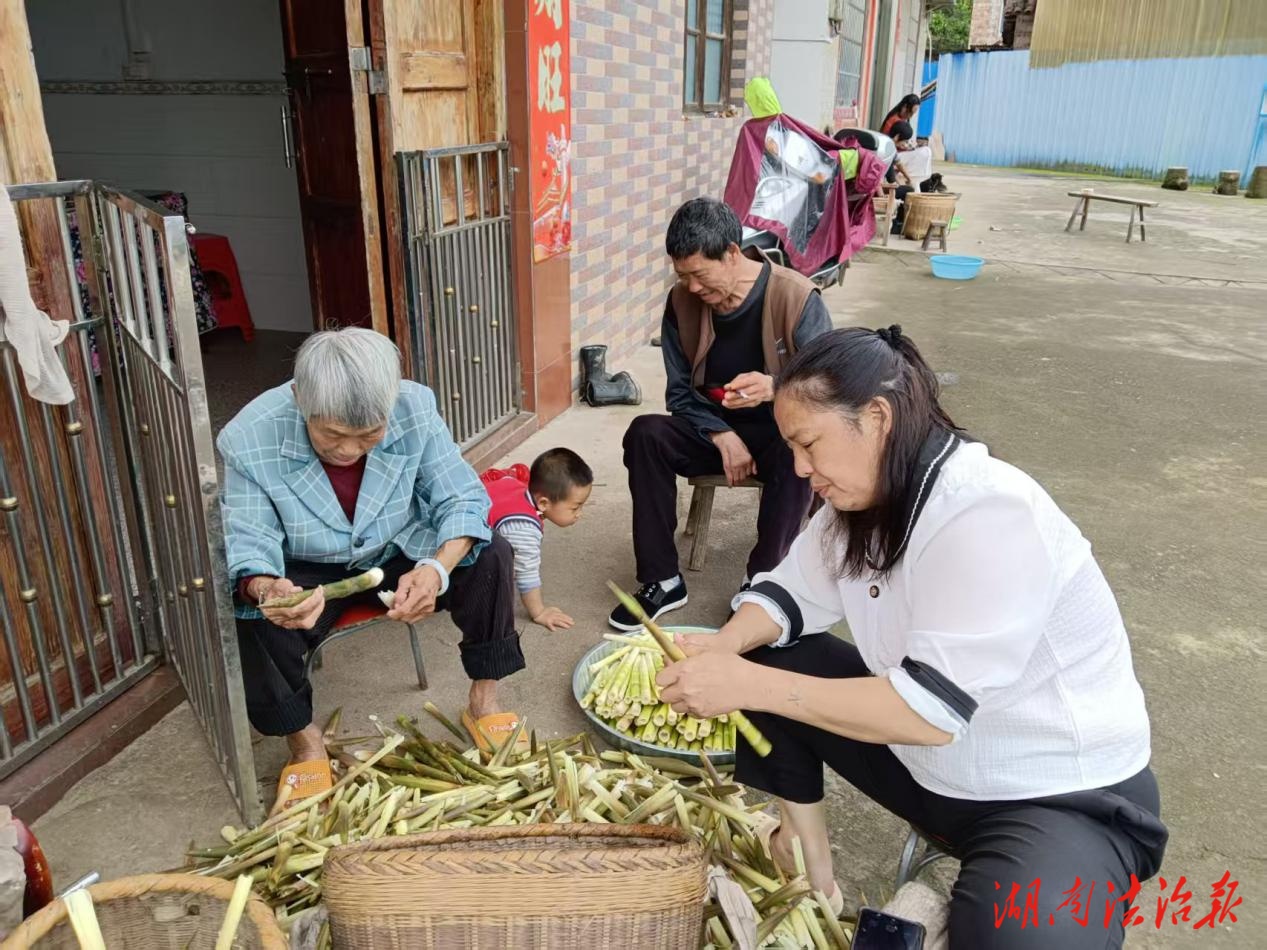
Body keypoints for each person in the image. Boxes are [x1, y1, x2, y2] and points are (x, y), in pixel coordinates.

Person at [655, 326, 1166, 948]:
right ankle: (808, 861)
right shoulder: (858, 501)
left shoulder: (989, 513)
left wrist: (748, 684)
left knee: (1021, 938)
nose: (799, 468)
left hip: (1051, 794)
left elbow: (929, 712)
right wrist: (725, 647)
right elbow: (788, 595)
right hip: (930, 768)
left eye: (808, 443)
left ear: (877, 418)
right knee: (765, 648)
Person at [218, 328, 527, 803]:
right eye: (332, 435)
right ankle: (304, 742)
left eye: (369, 436)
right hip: (305, 566)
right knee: (255, 614)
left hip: (398, 545)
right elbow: (250, 538)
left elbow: (461, 497)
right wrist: (266, 586)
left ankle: (484, 701)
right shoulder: (249, 436)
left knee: (491, 554)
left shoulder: (413, 406)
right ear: (300, 399)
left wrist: (437, 569)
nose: (349, 451)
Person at [610, 197, 832, 631]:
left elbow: (831, 384)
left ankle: (763, 584)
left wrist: (775, 386)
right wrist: (720, 434)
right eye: (682, 276)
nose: (692, 287)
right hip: (711, 434)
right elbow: (679, 393)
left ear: (732, 252)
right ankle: (662, 579)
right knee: (645, 433)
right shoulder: (681, 303)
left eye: (700, 274)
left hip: (780, 436)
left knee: (799, 453)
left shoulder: (795, 296)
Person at [480, 448, 594, 632]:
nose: (579, 514)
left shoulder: (515, 485)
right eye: (575, 508)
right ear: (543, 503)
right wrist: (539, 612)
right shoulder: (522, 528)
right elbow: (527, 574)